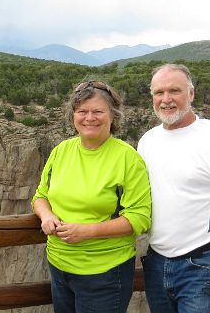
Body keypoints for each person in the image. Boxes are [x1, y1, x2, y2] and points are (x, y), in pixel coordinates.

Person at [32, 80, 151, 313]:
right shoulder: (61, 151)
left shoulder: (127, 158)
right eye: (82, 111)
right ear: (72, 115)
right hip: (58, 266)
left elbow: (139, 218)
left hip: (104, 274)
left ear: (113, 116)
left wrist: (86, 232)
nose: (89, 117)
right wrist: (46, 216)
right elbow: (41, 195)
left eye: (98, 111)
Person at [137, 63, 210, 313]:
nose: (166, 99)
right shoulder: (148, 140)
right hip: (156, 262)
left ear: (190, 94)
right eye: (159, 93)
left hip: (201, 264)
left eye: (174, 91)